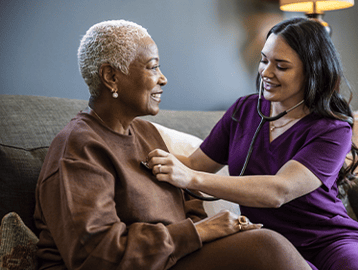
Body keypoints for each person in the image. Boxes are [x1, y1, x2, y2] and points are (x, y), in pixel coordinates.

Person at [33, 20, 313, 270]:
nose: (163, 78)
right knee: (266, 248)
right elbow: (96, 254)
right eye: (152, 66)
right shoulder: (78, 147)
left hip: (176, 256)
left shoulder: (145, 132)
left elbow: (189, 203)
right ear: (111, 77)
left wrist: (213, 230)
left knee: (265, 245)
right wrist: (198, 232)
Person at [146, 17, 358, 270]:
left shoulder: (332, 128)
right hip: (270, 243)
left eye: (281, 66)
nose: (266, 72)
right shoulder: (243, 111)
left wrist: (190, 178)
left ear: (312, 70)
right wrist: (136, 153)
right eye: (264, 60)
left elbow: (278, 191)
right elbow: (195, 163)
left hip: (332, 241)